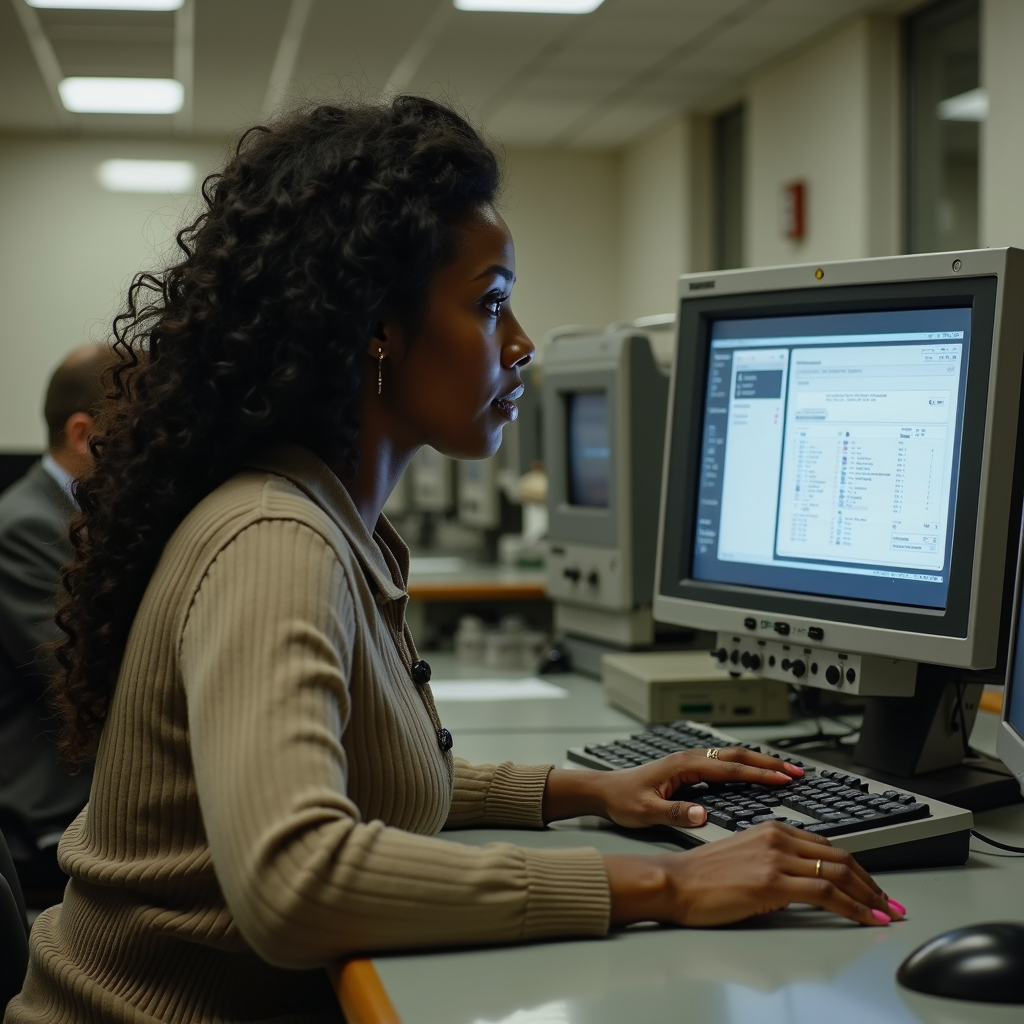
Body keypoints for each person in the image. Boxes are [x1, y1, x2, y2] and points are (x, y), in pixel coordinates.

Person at [5, 98, 903, 1024]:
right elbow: (297, 880)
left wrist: (582, 791)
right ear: (376, 329)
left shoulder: (318, 519)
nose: (520, 346)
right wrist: (663, 887)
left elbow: (368, 775)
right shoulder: (275, 543)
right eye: (491, 303)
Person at [0, 346, 110, 898]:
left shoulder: (82, 516)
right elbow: (84, 681)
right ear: (81, 434)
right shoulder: (24, 527)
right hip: (55, 804)